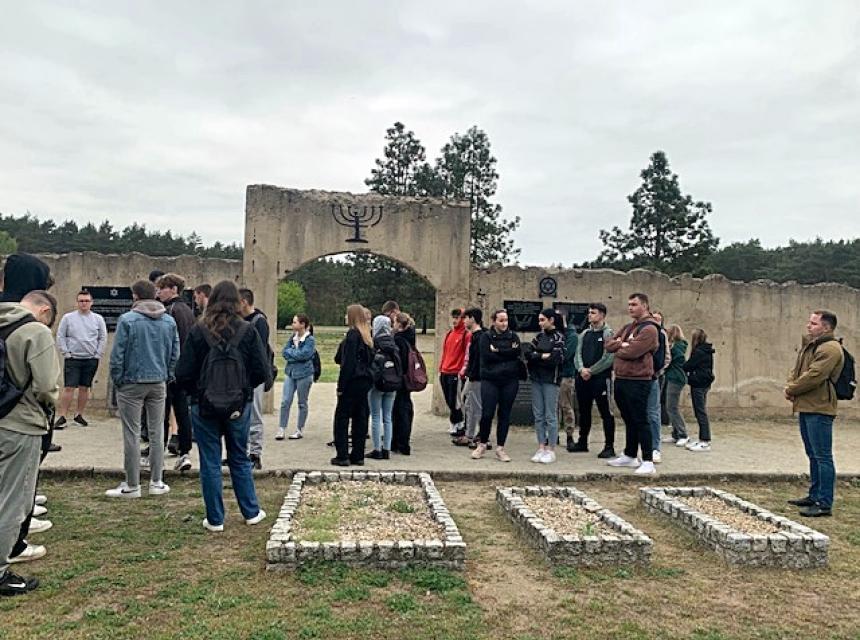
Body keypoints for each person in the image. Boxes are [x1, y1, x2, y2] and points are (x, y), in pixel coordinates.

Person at [176, 280, 272, 532]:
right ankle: (251, 511)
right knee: (239, 457)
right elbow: (262, 371)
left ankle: (215, 518)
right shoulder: (247, 330)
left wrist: (197, 393)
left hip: (203, 404)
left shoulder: (199, 331)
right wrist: (242, 390)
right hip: (239, 406)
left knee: (209, 460)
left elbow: (183, 371)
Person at [0, 290, 60, 596]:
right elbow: (47, 386)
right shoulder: (35, 332)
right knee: (14, 501)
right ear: (46, 311)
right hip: (20, 423)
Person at [106, 280, 179, 498]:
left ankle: (132, 484)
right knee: (158, 432)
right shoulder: (169, 321)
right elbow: (175, 353)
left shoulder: (127, 320)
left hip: (131, 382)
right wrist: (168, 375)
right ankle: (156, 481)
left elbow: (118, 354)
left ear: (135, 296)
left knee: (132, 433)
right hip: (158, 381)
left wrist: (118, 379)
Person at [784, 310, 844, 518]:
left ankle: (824, 502)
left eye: (814, 323)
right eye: (809, 322)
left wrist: (792, 389)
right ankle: (814, 494)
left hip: (820, 407)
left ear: (826, 327)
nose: (809, 326)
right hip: (806, 405)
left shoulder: (830, 348)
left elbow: (815, 375)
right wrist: (791, 385)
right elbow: (798, 370)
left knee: (823, 456)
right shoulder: (811, 344)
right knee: (812, 454)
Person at [605, 293, 659, 476]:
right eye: (629, 304)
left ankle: (648, 460)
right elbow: (608, 345)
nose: (630, 308)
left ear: (644, 305)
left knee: (640, 419)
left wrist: (621, 346)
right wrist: (622, 344)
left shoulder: (650, 329)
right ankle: (629, 454)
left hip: (639, 380)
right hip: (621, 377)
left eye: (634, 304)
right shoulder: (629, 327)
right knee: (628, 418)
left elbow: (633, 352)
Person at [154, 273, 195, 471]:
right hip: (185, 369)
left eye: (162, 288)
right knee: (181, 412)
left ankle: (158, 451)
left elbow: (169, 342)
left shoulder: (170, 310)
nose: (159, 292)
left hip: (170, 369)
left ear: (173, 289)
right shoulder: (187, 310)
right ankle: (185, 450)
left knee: (162, 411)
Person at [472, 309, 521, 462]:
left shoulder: (514, 336)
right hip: (490, 379)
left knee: (504, 414)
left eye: (506, 320)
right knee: (487, 413)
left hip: (510, 380)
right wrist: (507, 353)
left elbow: (516, 353)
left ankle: (500, 447)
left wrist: (498, 350)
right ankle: (482, 444)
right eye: (500, 320)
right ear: (494, 321)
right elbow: (487, 356)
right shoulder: (486, 337)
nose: (504, 323)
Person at [55, 289, 106, 428]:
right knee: (69, 388)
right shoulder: (68, 318)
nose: (84, 303)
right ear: (77, 302)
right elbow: (60, 336)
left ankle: (79, 415)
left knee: (85, 388)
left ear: (92, 303)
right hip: (73, 358)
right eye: (81, 301)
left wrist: (97, 354)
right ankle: (62, 416)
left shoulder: (98, 319)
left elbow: (102, 337)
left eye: (87, 301)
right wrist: (66, 353)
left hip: (90, 359)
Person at [331, 304, 374, 466]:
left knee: (341, 418)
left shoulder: (352, 335)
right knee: (360, 418)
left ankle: (342, 455)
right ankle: (358, 454)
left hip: (352, 381)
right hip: (364, 381)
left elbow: (347, 363)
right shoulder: (367, 336)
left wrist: (341, 387)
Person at [573, 303, 616, 458]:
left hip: (600, 379)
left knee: (606, 412)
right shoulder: (584, 333)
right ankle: (582, 441)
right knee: (584, 411)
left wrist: (591, 370)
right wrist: (581, 369)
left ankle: (609, 446)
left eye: (593, 312)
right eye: (589, 312)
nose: (589, 315)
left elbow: (608, 357)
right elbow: (577, 354)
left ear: (602, 315)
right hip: (583, 378)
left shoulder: (608, 333)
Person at [525, 309, 565, 464]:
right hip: (536, 379)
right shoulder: (538, 336)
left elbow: (555, 359)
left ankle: (551, 449)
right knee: (538, 415)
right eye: (539, 320)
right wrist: (542, 356)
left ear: (551, 320)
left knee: (550, 415)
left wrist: (538, 356)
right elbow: (528, 353)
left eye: (543, 320)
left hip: (550, 380)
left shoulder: (559, 337)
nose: (540, 323)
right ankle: (541, 446)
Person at [238, 287, 271, 470]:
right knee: (240, 415)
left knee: (255, 415)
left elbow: (258, 351)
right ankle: (240, 451)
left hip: (253, 376)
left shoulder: (259, 322)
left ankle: (255, 453)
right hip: (239, 376)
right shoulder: (239, 321)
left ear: (244, 301)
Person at [276, 314, 316, 440]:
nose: (293, 325)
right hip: (290, 372)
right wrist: (293, 355)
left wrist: (293, 354)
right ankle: (282, 428)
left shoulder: (310, 340)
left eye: (295, 322)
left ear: (302, 324)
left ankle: (299, 429)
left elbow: (304, 355)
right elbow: (284, 352)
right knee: (285, 401)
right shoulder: (292, 338)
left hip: (304, 374)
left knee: (302, 402)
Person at [368, 315, 402, 460]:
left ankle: (377, 449)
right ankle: (387, 448)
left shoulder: (374, 343)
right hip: (392, 382)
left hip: (378, 383)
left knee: (376, 416)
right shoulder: (393, 344)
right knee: (388, 417)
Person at [453, 308, 485, 448]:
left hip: (477, 377)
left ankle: (479, 436)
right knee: (467, 404)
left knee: (475, 405)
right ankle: (469, 433)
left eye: (465, 318)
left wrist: (471, 374)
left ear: (472, 318)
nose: (463, 321)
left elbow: (478, 359)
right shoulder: (473, 336)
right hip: (471, 375)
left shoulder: (480, 337)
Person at [682, 329, 716, 452]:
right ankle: (702, 439)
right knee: (700, 412)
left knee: (700, 412)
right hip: (704, 383)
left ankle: (705, 441)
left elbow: (688, 366)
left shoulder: (699, 352)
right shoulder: (706, 350)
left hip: (698, 384)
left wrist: (684, 365)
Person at [647, 310, 671, 464]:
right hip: (639, 378)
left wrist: (657, 371)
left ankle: (655, 448)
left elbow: (666, 357)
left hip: (654, 376)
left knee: (654, 412)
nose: (655, 321)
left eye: (658, 319)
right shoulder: (641, 331)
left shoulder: (661, 335)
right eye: (653, 318)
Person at [439, 309, 467, 436]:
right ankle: (455, 421)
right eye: (454, 318)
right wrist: (441, 368)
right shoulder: (450, 333)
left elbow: (467, 354)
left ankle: (458, 422)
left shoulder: (465, 335)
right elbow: (445, 352)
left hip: (456, 372)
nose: (455, 320)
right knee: (448, 400)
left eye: (458, 318)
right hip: (445, 371)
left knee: (455, 400)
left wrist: (462, 371)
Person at [391, 312, 416, 455]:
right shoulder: (410, 338)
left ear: (399, 324)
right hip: (407, 378)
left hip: (400, 379)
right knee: (405, 409)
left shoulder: (398, 340)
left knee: (399, 411)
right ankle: (402, 441)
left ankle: (399, 442)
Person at [663, 325, 690, 447]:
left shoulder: (677, 347)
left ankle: (683, 434)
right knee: (671, 406)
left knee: (672, 407)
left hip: (676, 378)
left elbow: (674, 359)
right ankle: (675, 433)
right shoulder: (677, 346)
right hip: (672, 377)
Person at [558, 314, 580, 451]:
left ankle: (569, 435)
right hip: (553, 375)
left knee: (566, 406)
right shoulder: (553, 334)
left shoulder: (572, 336)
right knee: (553, 409)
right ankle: (553, 435)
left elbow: (565, 355)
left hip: (566, 374)